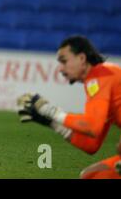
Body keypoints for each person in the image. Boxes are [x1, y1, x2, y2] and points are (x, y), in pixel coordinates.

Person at [17, 35, 121, 179]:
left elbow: (91, 126)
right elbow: (92, 145)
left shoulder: (100, 76)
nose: (60, 69)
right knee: (91, 175)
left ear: (82, 58)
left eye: (64, 61)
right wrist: (53, 123)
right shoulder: (101, 79)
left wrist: (49, 111)